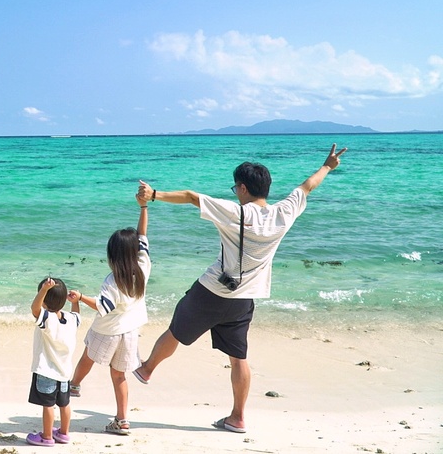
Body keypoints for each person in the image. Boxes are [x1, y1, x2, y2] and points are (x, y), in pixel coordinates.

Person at [132, 144, 348, 434]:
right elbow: (308, 186)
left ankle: (147, 369)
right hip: (245, 298)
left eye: (236, 188)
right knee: (238, 358)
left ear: (243, 188)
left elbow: (192, 197)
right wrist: (328, 166)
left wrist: (154, 194)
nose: (235, 193)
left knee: (177, 329)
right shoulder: (284, 212)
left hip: (212, 291)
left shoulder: (236, 213)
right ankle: (238, 417)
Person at [66, 182, 152, 436]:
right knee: (119, 376)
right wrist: (143, 207)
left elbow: (102, 306)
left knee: (88, 356)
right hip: (131, 331)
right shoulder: (143, 265)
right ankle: (122, 420)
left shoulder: (113, 281)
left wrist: (80, 297)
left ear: (113, 255)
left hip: (107, 330)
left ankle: (74, 385)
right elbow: (143, 235)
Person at [27, 276, 81, 447]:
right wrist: (75, 302)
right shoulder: (71, 319)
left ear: (44, 300)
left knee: (48, 405)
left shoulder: (47, 319)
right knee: (65, 404)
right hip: (65, 373)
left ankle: (47, 436)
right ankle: (64, 433)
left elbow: (34, 309)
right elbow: (77, 314)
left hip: (46, 371)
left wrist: (44, 289)